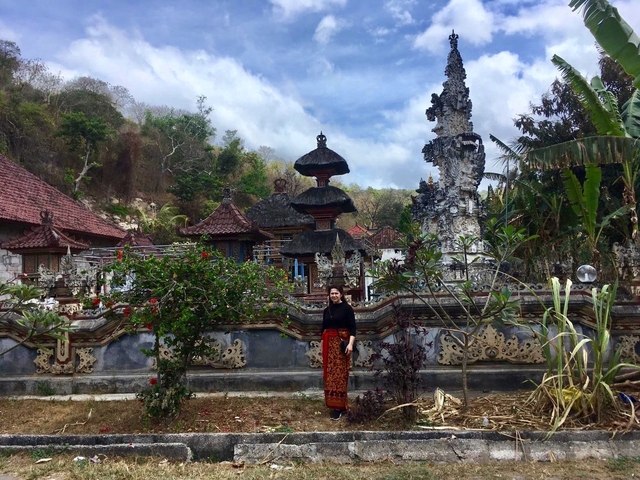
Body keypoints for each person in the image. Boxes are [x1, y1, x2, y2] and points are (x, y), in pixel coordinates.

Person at [321, 285, 356, 420]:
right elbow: (323, 329)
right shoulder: (327, 310)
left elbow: (353, 328)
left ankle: (340, 406)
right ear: (329, 295)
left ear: (341, 294)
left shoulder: (347, 309)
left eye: (336, 293)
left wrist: (351, 344)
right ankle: (332, 404)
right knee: (330, 375)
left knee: (340, 375)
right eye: (332, 293)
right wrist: (322, 345)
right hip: (328, 346)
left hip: (342, 346)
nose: (334, 295)